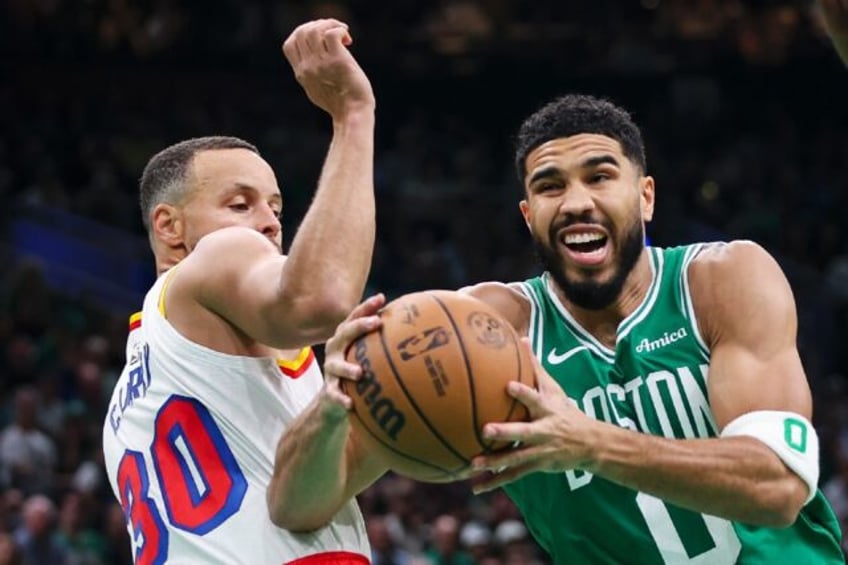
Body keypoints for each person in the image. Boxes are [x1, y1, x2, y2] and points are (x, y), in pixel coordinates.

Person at [272, 91, 845, 563]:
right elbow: (297, 507)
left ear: (645, 198)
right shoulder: (484, 331)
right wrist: (334, 400)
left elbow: (777, 487)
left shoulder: (720, 281)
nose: (575, 202)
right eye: (549, 186)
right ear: (528, 215)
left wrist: (588, 444)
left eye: (600, 177)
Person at [100, 18, 380, 564]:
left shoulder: (130, 399)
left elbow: (296, 496)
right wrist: (353, 116)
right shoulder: (215, 260)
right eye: (240, 203)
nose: (270, 223)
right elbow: (319, 300)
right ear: (169, 227)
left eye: (276, 207)